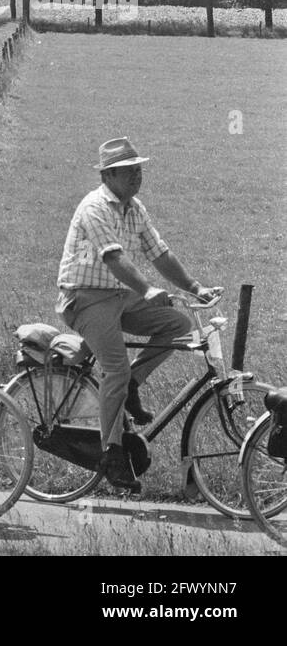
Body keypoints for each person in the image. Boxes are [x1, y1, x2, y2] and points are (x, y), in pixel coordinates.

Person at [55, 137, 216, 492]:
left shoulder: (134, 207)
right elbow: (113, 257)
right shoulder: (94, 207)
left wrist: (195, 287)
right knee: (114, 367)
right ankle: (111, 452)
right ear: (109, 174)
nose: (137, 177)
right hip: (86, 299)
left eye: (139, 170)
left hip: (118, 296)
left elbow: (159, 252)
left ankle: (131, 385)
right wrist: (146, 290)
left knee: (178, 324)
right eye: (130, 171)